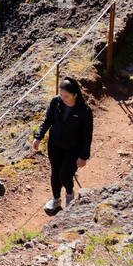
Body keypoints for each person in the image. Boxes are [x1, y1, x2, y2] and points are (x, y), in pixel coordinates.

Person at [32, 77, 93, 213]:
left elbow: (87, 136)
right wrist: (38, 137)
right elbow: (47, 120)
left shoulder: (84, 111)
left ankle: (70, 194)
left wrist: (83, 156)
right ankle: (56, 199)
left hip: (73, 148)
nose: (63, 98)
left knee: (65, 175)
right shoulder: (56, 102)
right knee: (55, 173)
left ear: (75, 95)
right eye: (61, 95)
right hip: (55, 144)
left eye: (66, 96)